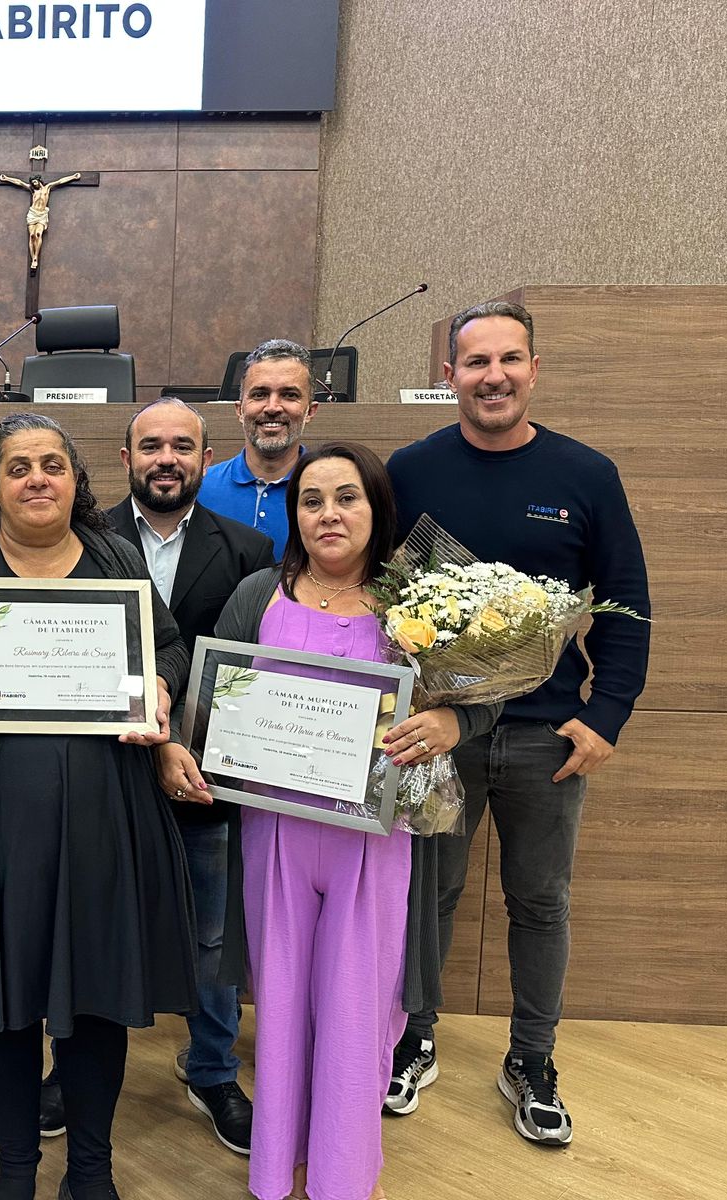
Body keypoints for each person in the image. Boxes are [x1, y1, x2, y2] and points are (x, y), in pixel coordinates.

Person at [0, 411, 198, 1200]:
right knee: (2, 996)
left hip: (104, 812)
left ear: (77, 480)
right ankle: (15, 1165)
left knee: (96, 999)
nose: (37, 480)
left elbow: (174, 644)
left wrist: (162, 685)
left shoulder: (117, 556)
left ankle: (91, 1168)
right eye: (18, 467)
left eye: (53, 464)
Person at [157, 442, 496, 1200]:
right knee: (279, 1008)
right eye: (312, 501)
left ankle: (345, 1175)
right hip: (274, 838)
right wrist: (185, 748)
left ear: (377, 511)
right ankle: (279, 1169)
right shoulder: (258, 596)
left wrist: (451, 721)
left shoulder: (418, 605)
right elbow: (210, 708)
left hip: (372, 843)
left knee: (355, 1010)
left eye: (347, 498)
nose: (329, 514)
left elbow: (488, 692)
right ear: (293, 514)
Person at [383, 301, 651, 1145]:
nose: (492, 376)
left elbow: (626, 608)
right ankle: (413, 1035)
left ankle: (532, 1058)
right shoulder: (410, 471)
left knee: (541, 903)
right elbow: (382, 598)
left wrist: (604, 716)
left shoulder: (587, 473)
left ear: (534, 370)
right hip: (440, 732)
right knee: (433, 896)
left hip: (546, 740)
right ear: (449, 376)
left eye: (509, 360)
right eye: (475, 362)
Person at [40, 397, 273, 1152]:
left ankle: (210, 1070)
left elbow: (254, 675)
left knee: (210, 935)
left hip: (204, 778)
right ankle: (65, 1070)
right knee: (79, 922)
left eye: (183, 445)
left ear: (207, 459)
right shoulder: (79, 538)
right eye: (151, 446)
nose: (166, 458)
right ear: (125, 459)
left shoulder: (246, 548)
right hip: (99, 777)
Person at [197, 339, 319, 556]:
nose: (272, 407)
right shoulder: (199, 489)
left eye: (289, 395)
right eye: (259, 394)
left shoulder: (331, 496)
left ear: (310, 411)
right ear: (239, 410)